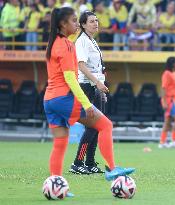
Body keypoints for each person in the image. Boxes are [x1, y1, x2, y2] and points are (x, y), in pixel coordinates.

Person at [44, 8, 135, 191]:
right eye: (74, 21)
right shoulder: (69, 44)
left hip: (49, 100)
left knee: (60, 142)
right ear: (63, 24)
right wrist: (86, 104)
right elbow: (71, 78)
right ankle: (112, 168)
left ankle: (55, 185)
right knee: (105, 125)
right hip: (64, 98)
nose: (77, 24)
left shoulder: (54, 42)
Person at [69, 11, 109, 175]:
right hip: (87, 87)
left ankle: (90, 162)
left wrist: (101, 86)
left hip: (95, 88)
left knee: (98, 127)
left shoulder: (92, 41)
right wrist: (98, 83)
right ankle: (77, 162)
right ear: (83, 25)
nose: (95, 23)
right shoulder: (82, 42)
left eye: (97, 20)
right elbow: (81, 66)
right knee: (93, 126)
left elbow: (98, 68)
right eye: (92, 21)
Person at [159, 57, 175, 149]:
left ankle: (162, 142)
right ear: (172, 64)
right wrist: (164, 101)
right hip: (169, 100)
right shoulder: (166, 74)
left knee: (167, 121)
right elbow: (163, 88)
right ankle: (173, 140)